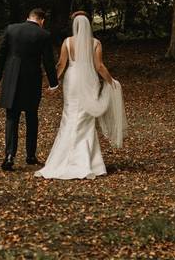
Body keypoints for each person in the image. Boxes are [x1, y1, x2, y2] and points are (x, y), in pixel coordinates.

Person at [35, 11, 126, 180]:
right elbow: (99, 66)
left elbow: (62, 64)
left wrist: (53, 83)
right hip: (89, 79)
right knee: (86, 117)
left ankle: (62, 159)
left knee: (69, 115)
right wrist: (111, 80)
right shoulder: (95, 43)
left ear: (75, 26)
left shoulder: (67, 42)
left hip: (72, 79)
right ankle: (89, 163)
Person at [0, 8, 58, 171]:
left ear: (28, 17)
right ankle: (30, 155)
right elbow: (48, 60)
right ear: (42, 20)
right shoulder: (44, 35)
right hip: (32, 79)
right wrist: (53, 82)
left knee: (11, 117)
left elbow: (1, 54)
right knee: (31, 116)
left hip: (12, 77)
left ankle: (9, 156)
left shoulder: (11, 29)